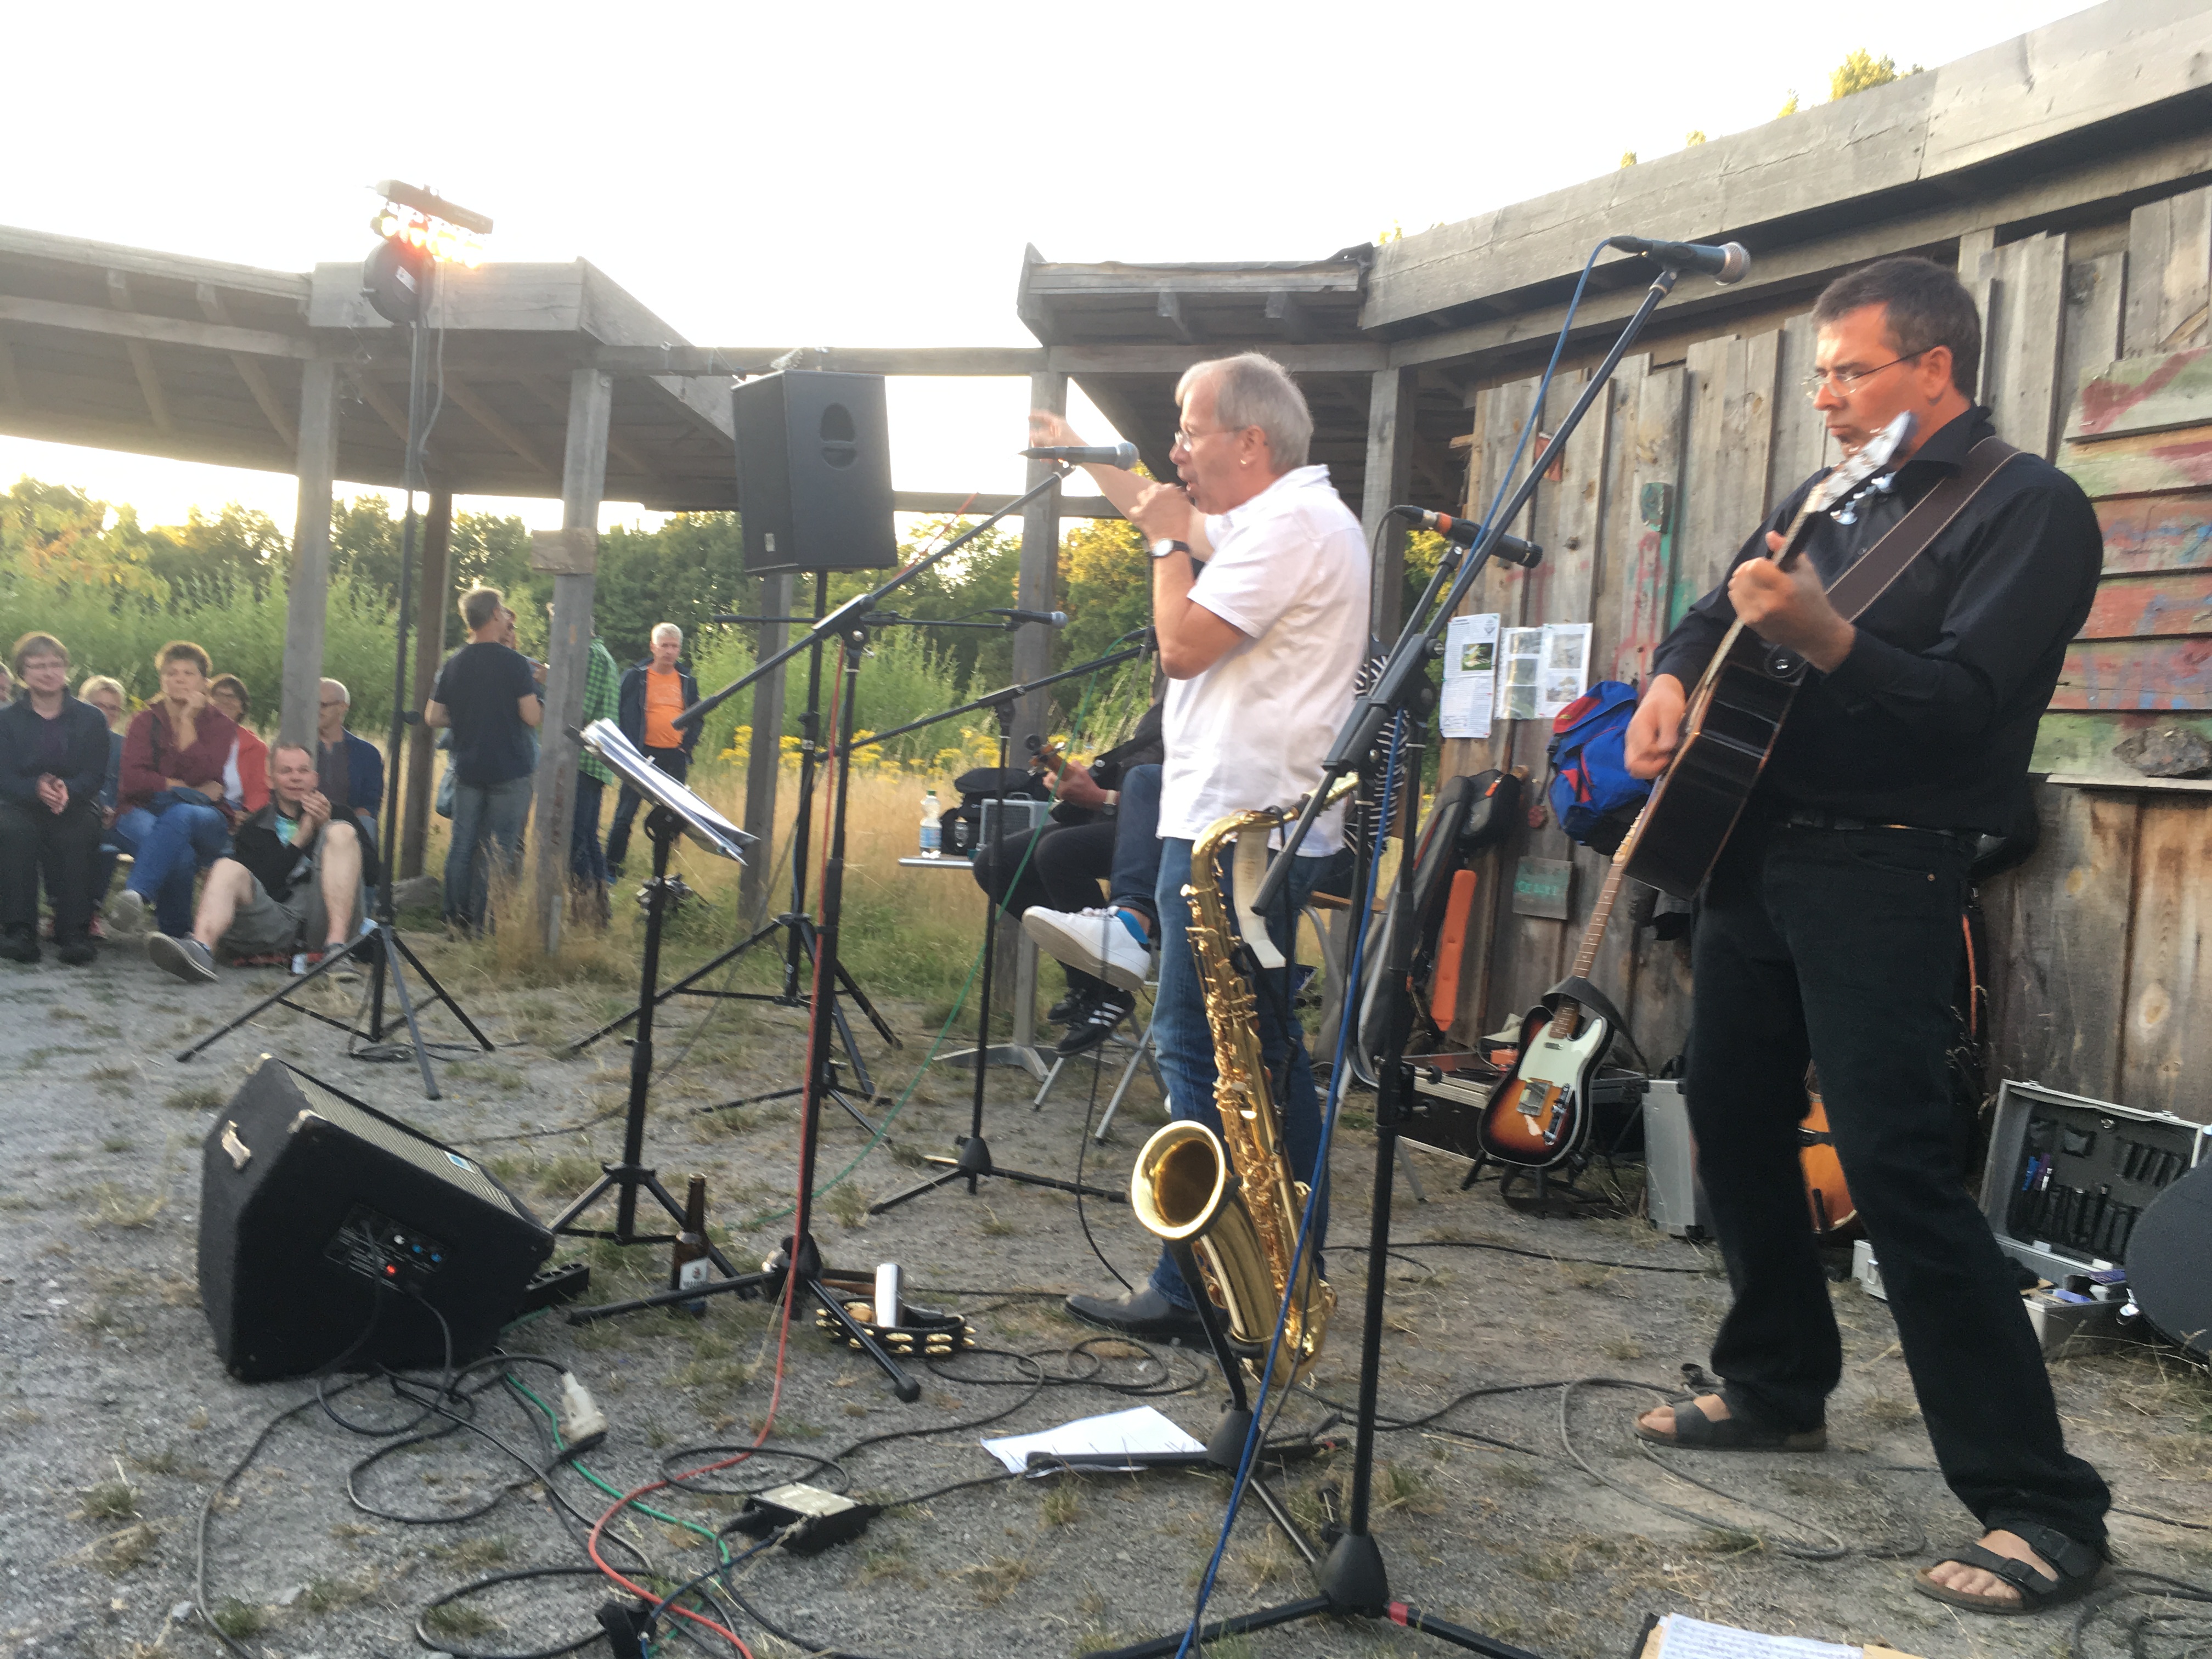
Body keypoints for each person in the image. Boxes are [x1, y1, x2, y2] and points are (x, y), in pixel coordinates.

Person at [1621, 257, 2111, 1616]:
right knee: (1729, 1114)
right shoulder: (1827, 494)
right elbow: (1718, 609)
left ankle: (2042, 1504)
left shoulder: (2032, 507)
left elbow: (1966, 706)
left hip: (1887, 866)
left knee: (1897, 1167)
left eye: (1850, 371)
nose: (1825, 395)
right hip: (1754, 855)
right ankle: (1778, 1385)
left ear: (1934, 368)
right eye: (1822, 373)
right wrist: (1670, 678)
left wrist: (1830, 637)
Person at [1035, 352, 1368, 1340]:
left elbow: (1181, 643)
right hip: (1238, 826)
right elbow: (1164, 508)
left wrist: (1161, 549)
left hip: (1240, 835)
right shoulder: (1273, 516)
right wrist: (1087, 456)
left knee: (1202, 1045)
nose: (1175, 448)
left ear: (1249, 442)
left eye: (1189, 429)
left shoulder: (1292, 528)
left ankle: (1199, 1286)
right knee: (1259, 1052)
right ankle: (1279, 1265)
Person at [148, 742, 365, 983]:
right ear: (270, 781)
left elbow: (372, 874)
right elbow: (263, 885)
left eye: (303, 771)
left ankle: (336, 951)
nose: (296, 778)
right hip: (277, 922)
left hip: (328, 917)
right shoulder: (255, 827)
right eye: (286, 771)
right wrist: (299, 841)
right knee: (225, 867)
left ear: (314, 779)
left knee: (341, 832)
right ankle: (201, 949)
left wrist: (325, 827)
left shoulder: (341, 815)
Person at [426, 587, 542, 932]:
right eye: (504, 610)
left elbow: (433, 716)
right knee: (499, 848)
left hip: (468, 767)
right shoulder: (515, 663)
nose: (507, 615)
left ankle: (453, 918)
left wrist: (468, 716)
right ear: (494, 614)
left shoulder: (455, 662)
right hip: (510, 768)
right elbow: (531, 716)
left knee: (462, 844)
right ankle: (484, 922)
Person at [109, 641, 238, 938]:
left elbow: (203, 772)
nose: (179, 680)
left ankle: (137, 894)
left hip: (204, 815)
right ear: (162, 680)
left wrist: (188, 720)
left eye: (188, 674)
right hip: (142, 807)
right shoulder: (144, 721)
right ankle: (175, 937)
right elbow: (132, 780)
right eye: (171, 673)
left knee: (181, 814)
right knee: (180, 854)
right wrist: (178, 785)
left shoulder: (220, 724)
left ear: (204, 682)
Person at [0, 634, 110, 964]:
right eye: (38, 666)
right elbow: (4, 776)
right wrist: (35, 788)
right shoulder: (5, 720)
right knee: (14, 832)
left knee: (78, 833)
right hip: (20, 804)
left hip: (75, 803)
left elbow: (95, 774)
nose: (48, 672)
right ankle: (20, 932)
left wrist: (68, 790)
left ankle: (74, 933)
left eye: (55, 664)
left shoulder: (92, 719)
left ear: (66, 669)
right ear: (23, 674)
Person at [605, 623, 700, 878]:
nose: (669, 651)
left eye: (674, 646)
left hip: (675, 756)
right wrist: (626, 749)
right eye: (664, 646)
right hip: (642, 755)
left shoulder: (687, 680)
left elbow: (697, 716)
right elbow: (617, 711)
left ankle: (664, 874)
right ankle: (611, 867)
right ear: (653, 647)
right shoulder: (636, 677)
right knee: (626, 812)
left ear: (680, 649)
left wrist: (686, 747)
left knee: (672, 816)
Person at [564, 610, 621, 927]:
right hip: (593, 760)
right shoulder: (600, 654)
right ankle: (599, 912)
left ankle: (585, 909)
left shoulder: (592, 655)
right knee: (587, 837)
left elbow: (580, 710)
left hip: (585, 759)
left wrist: (549, 685)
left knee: (576, 838)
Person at [77, 674, 128, 925]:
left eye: (113, 708)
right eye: (99, 706)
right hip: (76, 813)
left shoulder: (124, 747)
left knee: (107, 849)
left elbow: (129, 788)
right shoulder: (69, 740)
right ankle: (62, 909)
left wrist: (116, 809)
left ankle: (92, 913)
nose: (106, 713)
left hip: (112, 819)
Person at [315, 678, 386, 855]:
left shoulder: (367, 754)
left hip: (350, 826)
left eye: (322, 705)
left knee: (367, 824)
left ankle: (365, 871)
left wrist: (343, 828)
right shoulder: (296, 748)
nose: (315, 710)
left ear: (342, 707)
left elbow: (370, 804)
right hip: (303, 824)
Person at [207, 674, 270, 820]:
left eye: (232, 697)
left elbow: (260, 791)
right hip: (195, 803)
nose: (224, 701)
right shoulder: (190, 736)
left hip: (235, 809)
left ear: (242, 707)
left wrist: (247, 814)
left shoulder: (256, 747)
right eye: (218, 696)